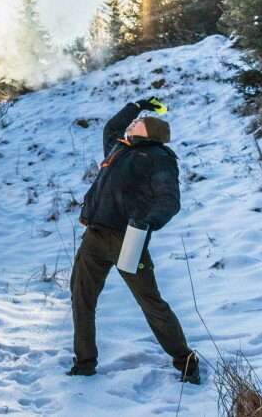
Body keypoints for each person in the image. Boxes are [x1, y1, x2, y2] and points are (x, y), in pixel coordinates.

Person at [68, 97, 200, 384]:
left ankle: (186, 359)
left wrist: (145, 223)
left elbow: (169, 200)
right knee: (81, 298)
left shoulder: (159, 158)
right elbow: (112, 126)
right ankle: (85, 362)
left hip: (128, 239)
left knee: (150, 302)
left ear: (150, 133)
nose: (133, 123)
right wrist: (138, 105)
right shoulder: (119, 147)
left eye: (138, 123)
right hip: (95, 235)